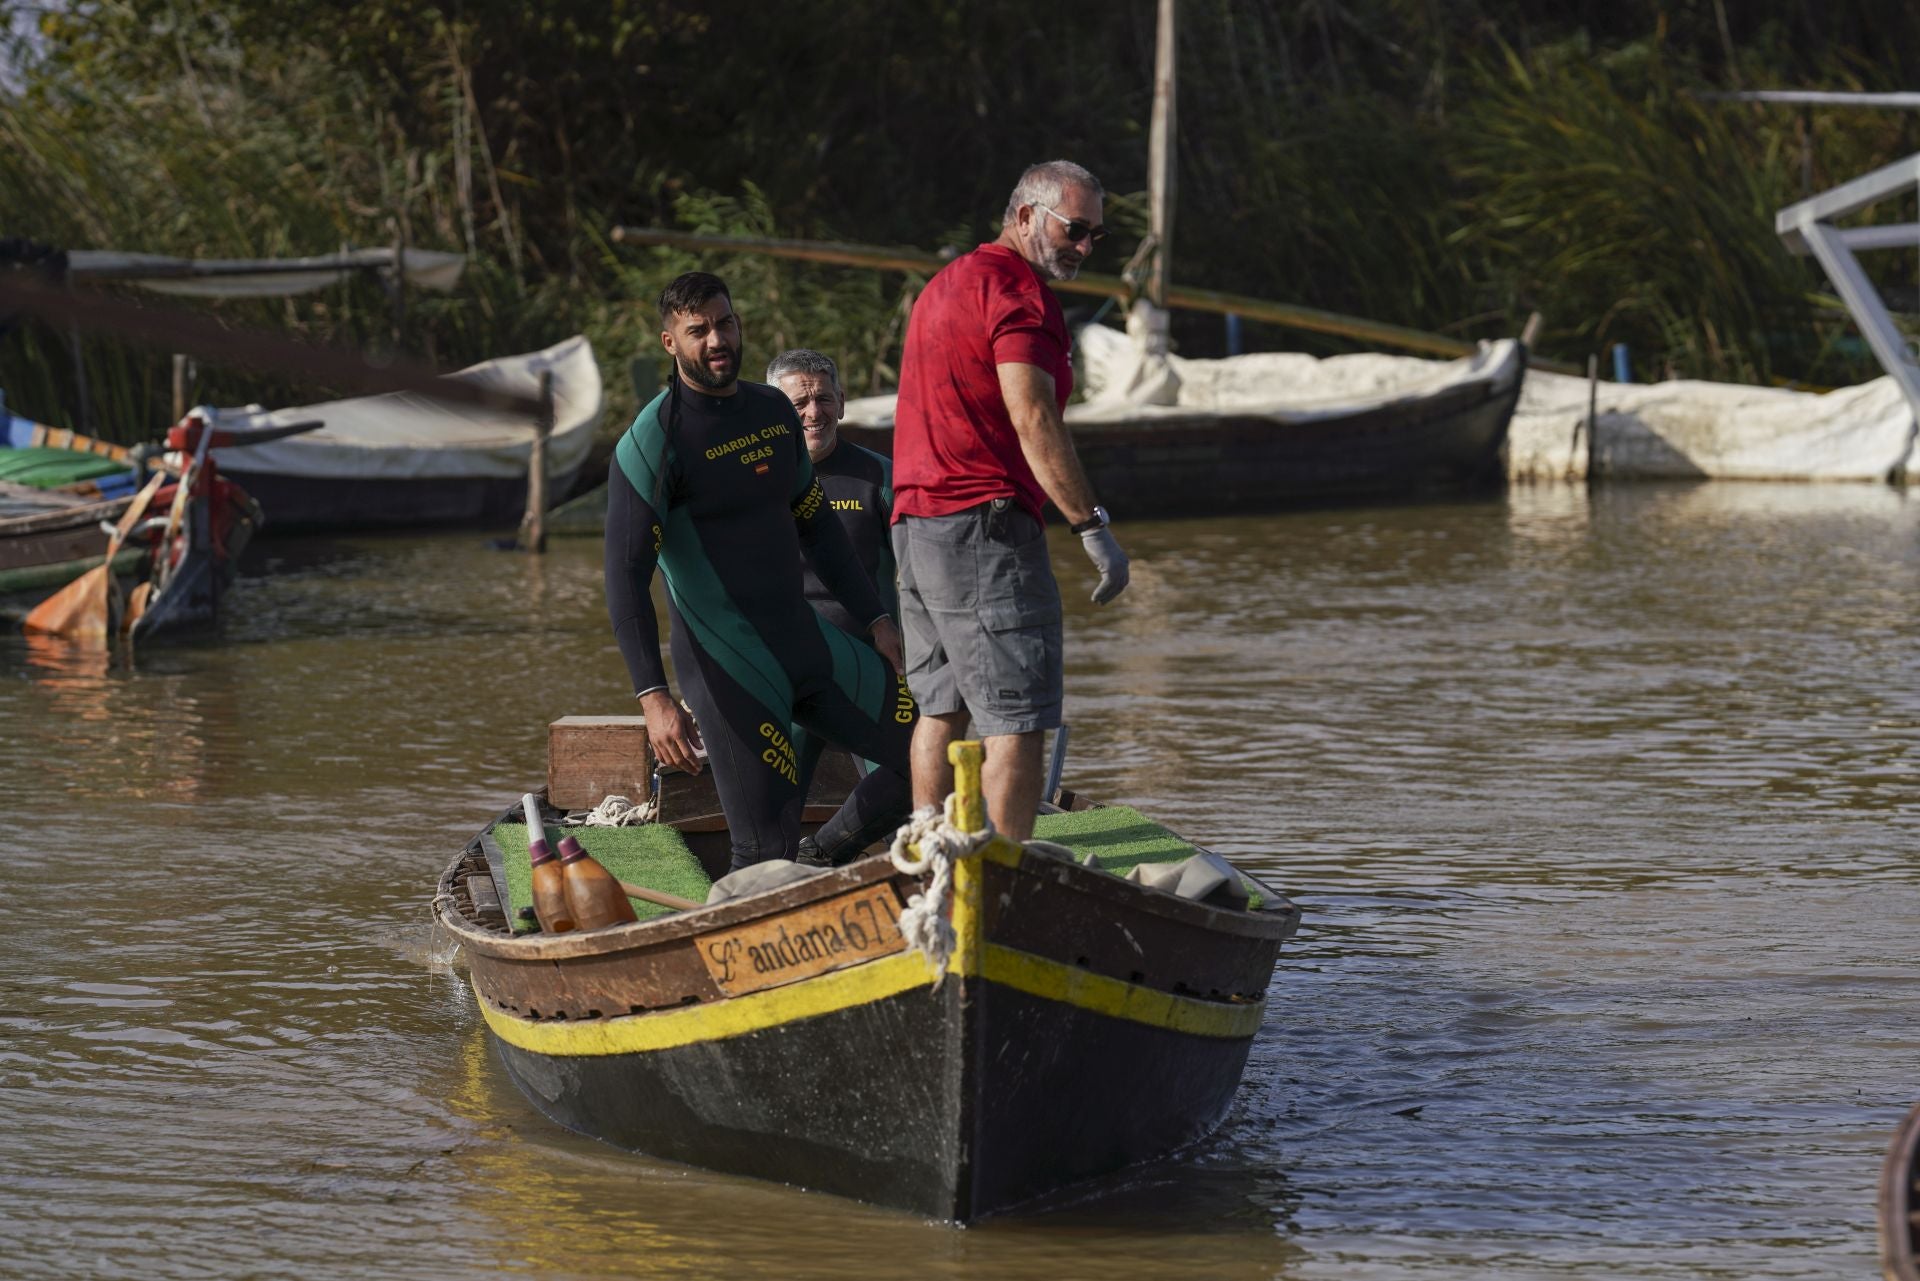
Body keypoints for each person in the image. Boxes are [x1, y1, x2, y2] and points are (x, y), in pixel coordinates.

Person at [604, 272, 916, 871]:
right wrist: (653, 697)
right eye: (698, 331)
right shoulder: (652, 442)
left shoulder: (773, 410)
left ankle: (823, 862)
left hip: (807, 642)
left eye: (724, 323)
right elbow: (625, 577)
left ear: (738, 324)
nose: (716, 340)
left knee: (929, 754)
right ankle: (760, 946)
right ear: (671, 343)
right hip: (731, 666)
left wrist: (878, 619)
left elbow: (817, 526)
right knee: (763, 846)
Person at [890, 159, 1131, 843]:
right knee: (1018, 719)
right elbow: (1033, 416)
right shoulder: (1017, 292)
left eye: (1096, 237)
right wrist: (1092, 525)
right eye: (1075, 229)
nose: (1084, 248)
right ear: (1025, 215)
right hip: (982, 529)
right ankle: (998, 886)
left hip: (915, 525)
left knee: (939, 711)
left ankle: (929, 867)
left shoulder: (944, 285)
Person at [767, 348, 897, 835]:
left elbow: (924, 572)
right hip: (787, 672)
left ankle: (823, 852)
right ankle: (773, 873)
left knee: (912, 773)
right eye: (799, 402)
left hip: (871, 664)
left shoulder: (881, 477)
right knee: (773, 809)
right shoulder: (754, 483)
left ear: (842, 403)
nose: (813, 412)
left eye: (823, 398)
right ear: (776, 411)